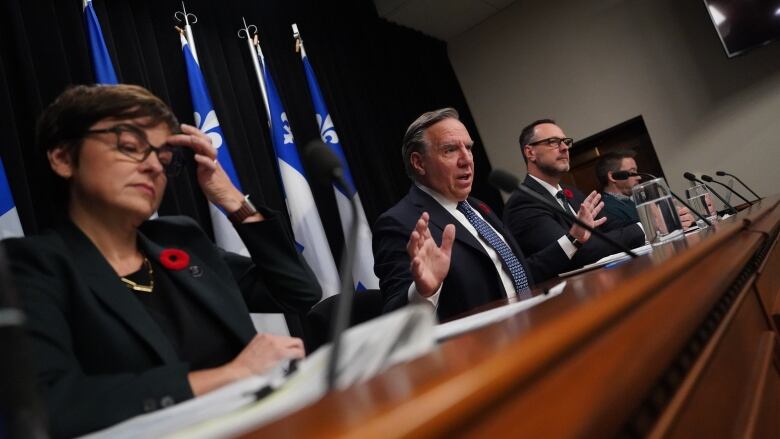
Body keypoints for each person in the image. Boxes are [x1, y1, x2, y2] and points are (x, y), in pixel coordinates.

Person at [2, 84, 321, 438]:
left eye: (164, 159)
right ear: (62, 158)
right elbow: (51, 404)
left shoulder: (181, 240)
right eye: (129, 147)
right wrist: (231, 374)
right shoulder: (28, 266)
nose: (153, 165)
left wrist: (230, 199)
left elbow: (298, 292)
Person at [372, 109, 602, 320]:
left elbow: (517, 273)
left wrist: (574, 238)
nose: (467, 160)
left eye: (469, 148)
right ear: (419, 163)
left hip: (533, 327)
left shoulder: (479, 208)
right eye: (450, 150)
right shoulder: (400, 223)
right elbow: (394, 318)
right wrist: (423, 292)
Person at [503, 119, 646, 277]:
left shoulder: (572, 192)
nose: (565, 148)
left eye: (565, 142)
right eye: (553, 142)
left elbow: (611, 225)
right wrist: (642, 229)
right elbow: (578, 253)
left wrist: (652, 222)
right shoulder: (523, 204)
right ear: (530, 152)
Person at [595, 149, 695, 232]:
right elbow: (629, 237)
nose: (638, 176)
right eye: (632, 171)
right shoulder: (603, 208)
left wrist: (683, 219)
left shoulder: (640, 198)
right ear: (613, 176)